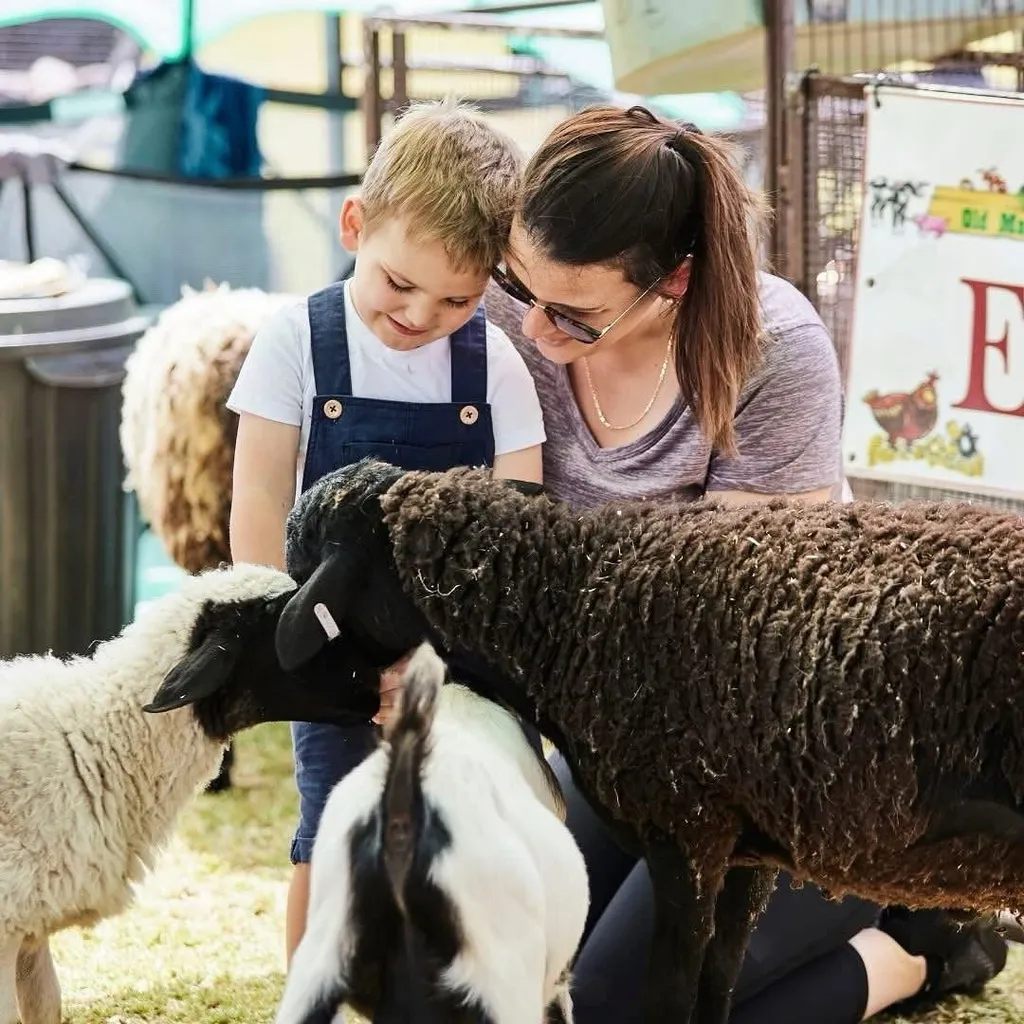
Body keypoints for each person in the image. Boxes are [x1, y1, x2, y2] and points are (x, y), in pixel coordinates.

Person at [376, 103, 1009, 1023]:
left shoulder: (772, 351)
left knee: (614, 1010)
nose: (537, 331)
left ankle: (916, 952)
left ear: (673, 280)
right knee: (490, 983)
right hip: (628, 750)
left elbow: (732, 645)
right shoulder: (515, 322)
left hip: (793, 774)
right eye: (519, 291)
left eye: (576, 317)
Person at [225, 98, 546, 963]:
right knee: (330, 828)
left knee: (460, 840)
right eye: (399, 283)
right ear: (355, 223)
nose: (417, 315)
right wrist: (296, 647)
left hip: (459, 659)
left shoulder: (497, 367)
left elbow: (517, 535)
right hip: (327, 648)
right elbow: (256, 501)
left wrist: (443, 662)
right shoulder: (296, 340)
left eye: (455, 299)